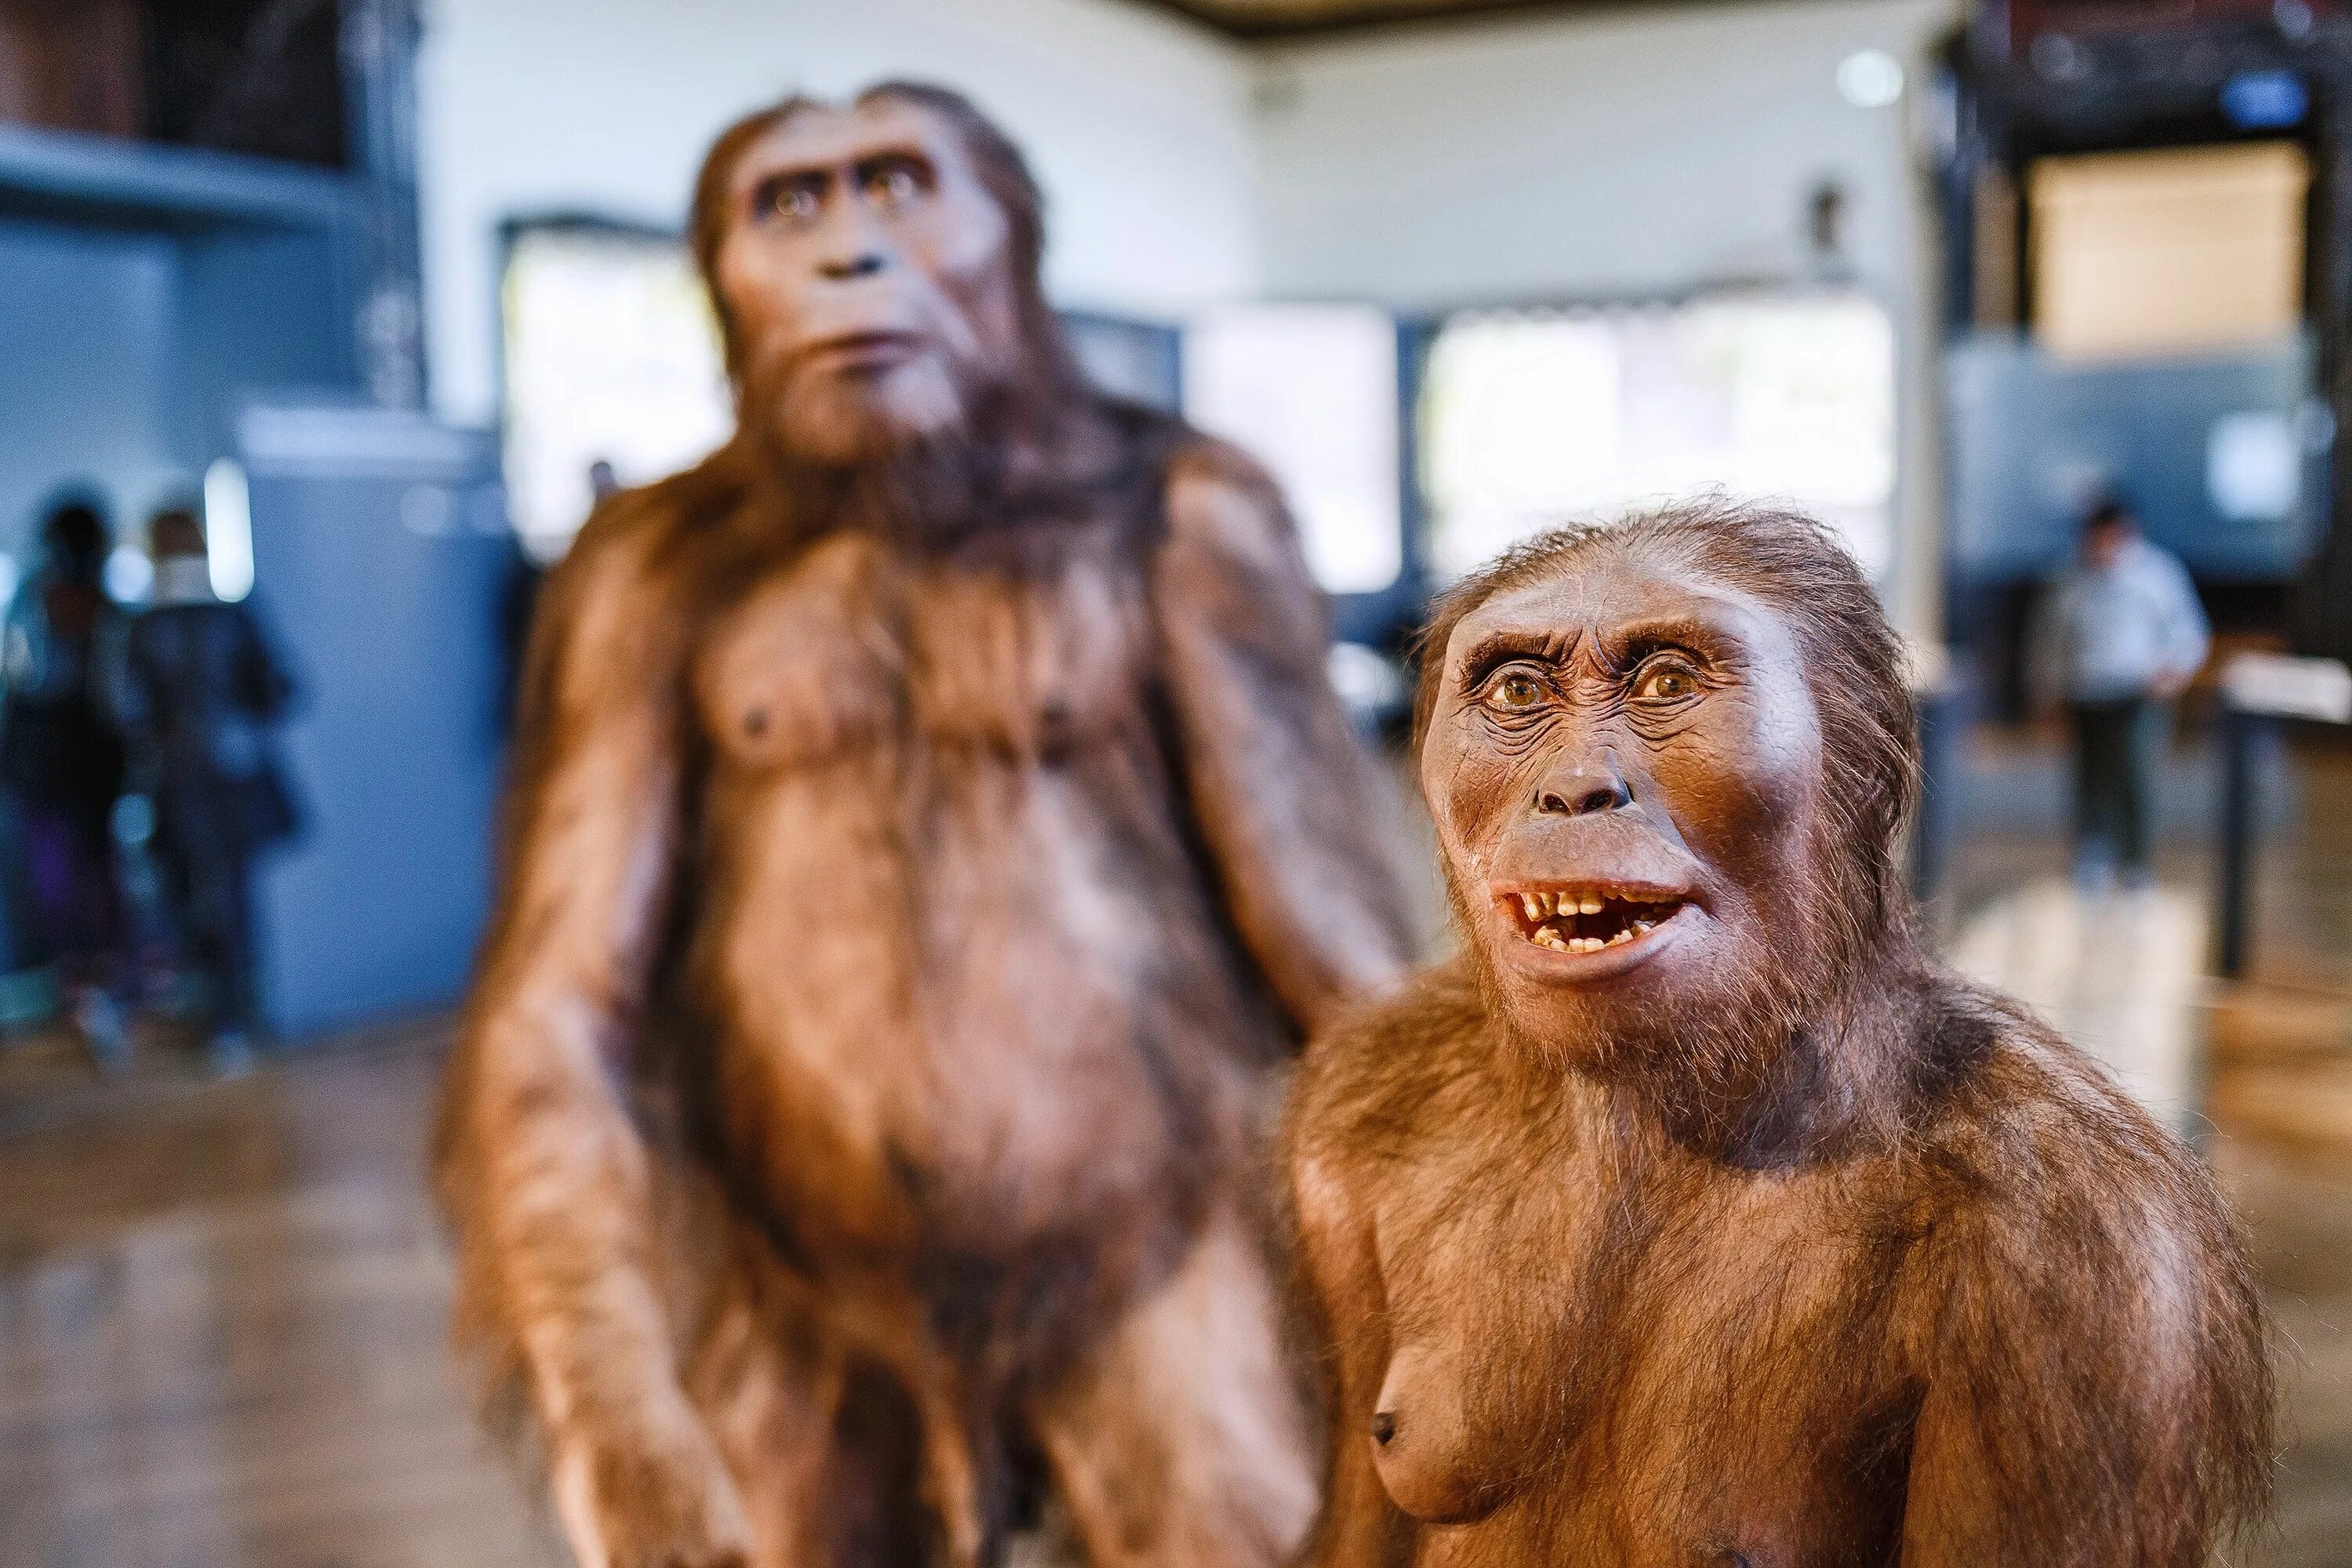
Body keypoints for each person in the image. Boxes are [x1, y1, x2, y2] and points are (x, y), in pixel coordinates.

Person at [121, 506, 299, 1068]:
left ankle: (225, 1018)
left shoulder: (145, 627)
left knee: (205, 894)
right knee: (231, 898)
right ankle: (233, 1016)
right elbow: (279, 690)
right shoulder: (232, 615)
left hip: (183, 780)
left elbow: (130, 712)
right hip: (231, 775)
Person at [0, 495, 132, 1068]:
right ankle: (83, 988)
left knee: (93, 876)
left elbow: (115, 691)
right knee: (62, 878)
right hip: (50, 765)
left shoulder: (103, 606)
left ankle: (105, 987)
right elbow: (25, 675)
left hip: (87, 763)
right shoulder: (36, 601)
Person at [2028, 495, 2209, 890]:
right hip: (2084, 697)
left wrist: (2174, 673)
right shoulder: (2069, 580)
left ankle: (2135, 864)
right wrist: (2046, 696)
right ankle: (2090, 857)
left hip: (2136, 696)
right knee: (2087, 781)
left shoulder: (2156, 575)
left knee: (2134, 779)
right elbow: (2049, 644)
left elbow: (2189, 634)